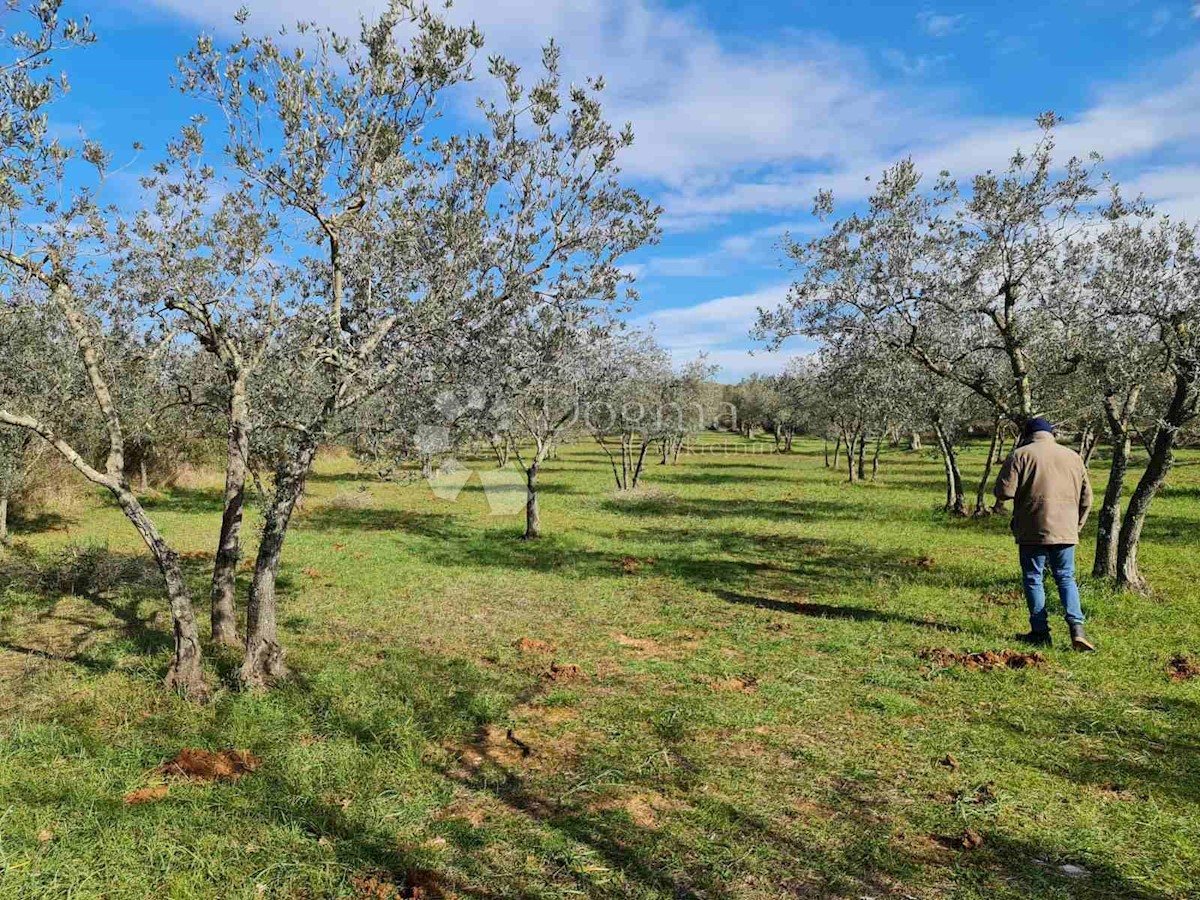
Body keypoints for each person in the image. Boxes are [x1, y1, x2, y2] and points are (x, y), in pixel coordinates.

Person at [994, 417, 1095, 651]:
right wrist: (1076, 526)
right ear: (1051, 434)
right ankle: (1077, 629)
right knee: (1066, 578)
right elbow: (1087, 499)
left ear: (1027, 435)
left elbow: (1004, 492)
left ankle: (1040, 632)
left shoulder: (1021, 454)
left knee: (1033, 578)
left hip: (1033, 528)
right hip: (1066, 531)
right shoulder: (1073, 457)